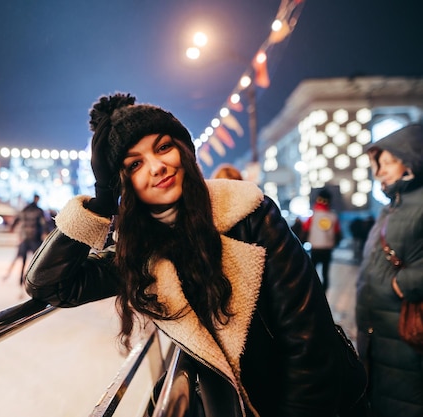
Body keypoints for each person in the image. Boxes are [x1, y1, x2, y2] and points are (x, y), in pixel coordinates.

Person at [25, 93, 368, 416]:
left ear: (184, 151)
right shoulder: (137, 250)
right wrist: (100, 203)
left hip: (305, 401)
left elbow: (308, 340)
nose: (157, 166)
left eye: (163, 148)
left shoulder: (250, 213)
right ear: (121, 183)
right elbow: (50, 285)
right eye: (134, 164)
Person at [355, 123, 423, 417]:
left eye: (387, 162)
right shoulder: (391, 207)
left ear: (410, 160)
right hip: (378, 334)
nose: (379, 171)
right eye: (377, 163)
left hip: (407, 335)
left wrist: (402, 285)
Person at [301, 188, 342, 291]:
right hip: (327, 248)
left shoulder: (313, 216)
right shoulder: (333, 216)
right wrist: (335, 243)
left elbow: (305, 230)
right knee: (325, 271)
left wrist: (301, 244)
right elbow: (338, 233)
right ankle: (324, 291)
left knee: (312, 270)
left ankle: (312, 289)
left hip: (315, 247)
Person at [5, 194, 46, 288]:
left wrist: (11, 228)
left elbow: (16, 220)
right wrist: (45, 232)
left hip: (24, 238)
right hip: (35, 238)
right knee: (36, 260)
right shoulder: (39, 211)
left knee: (23, 261)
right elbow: (44, 224)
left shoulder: (24, 210)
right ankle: (34, 280)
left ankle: (21, 280)